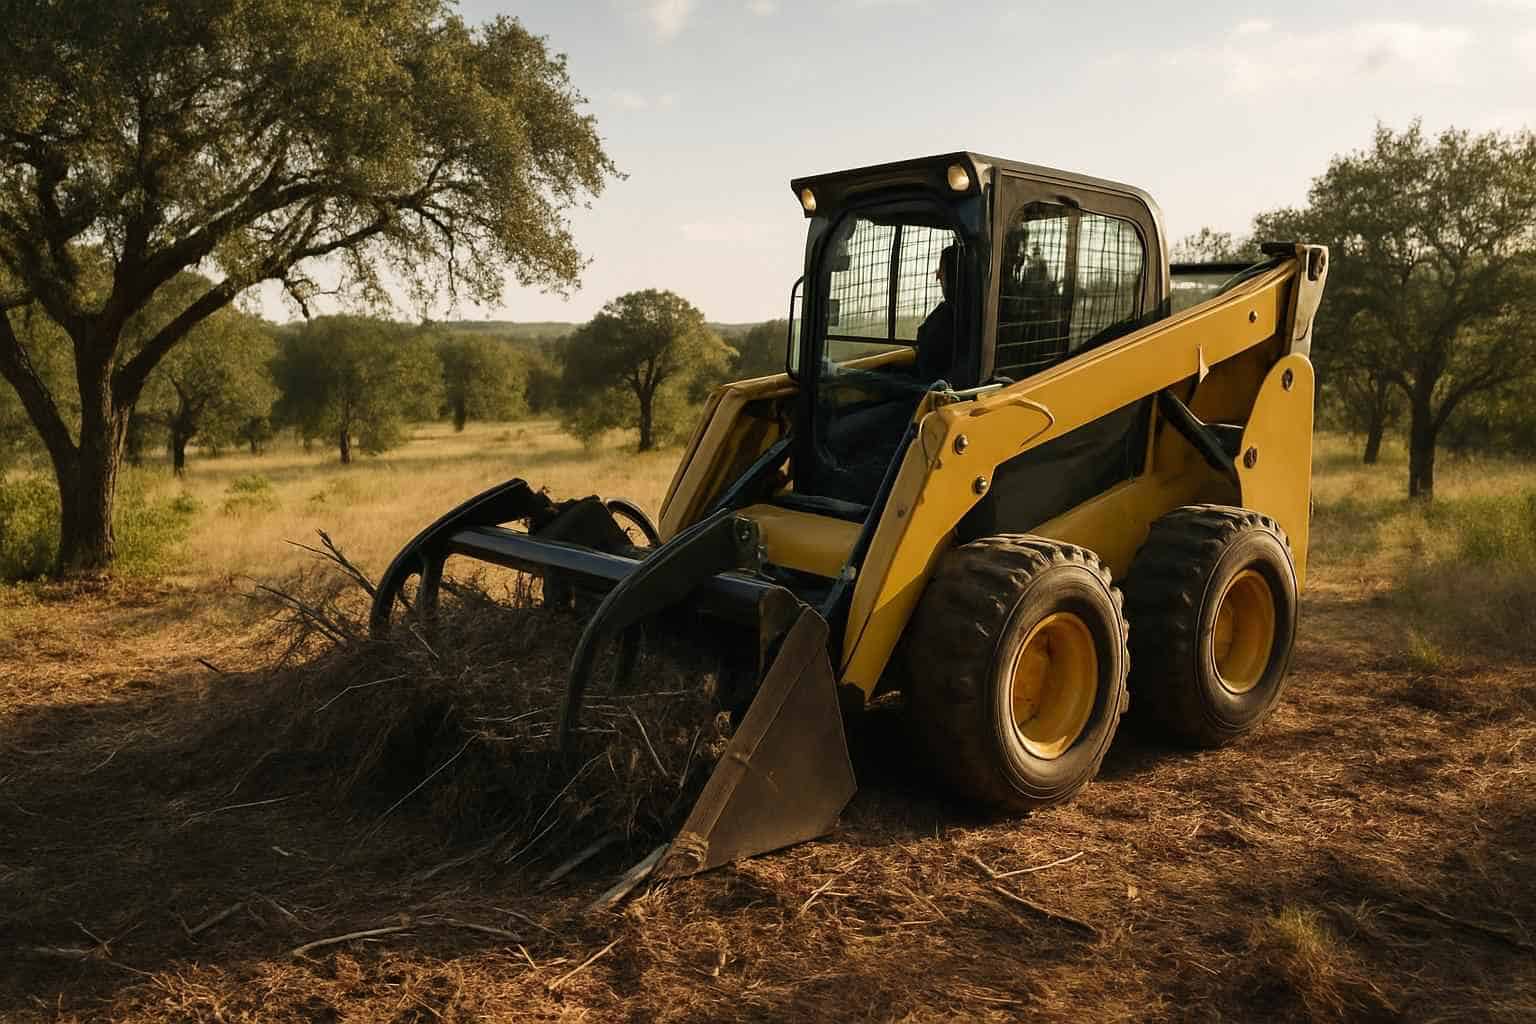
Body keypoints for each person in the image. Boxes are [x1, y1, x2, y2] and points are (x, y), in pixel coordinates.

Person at [915, 243, 961, 383]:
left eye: (942, 271)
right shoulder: (963, 312)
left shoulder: (948, 316)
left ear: (954, 275)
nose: (938, 277)